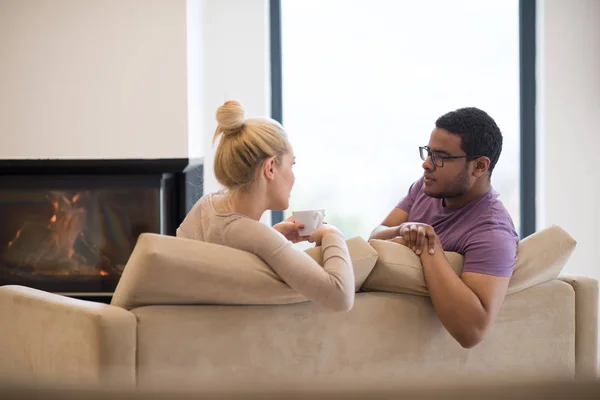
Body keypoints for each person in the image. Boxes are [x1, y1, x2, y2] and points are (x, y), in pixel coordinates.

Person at [177, 100, 355, 312]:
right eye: (292, 165)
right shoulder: (254, 235)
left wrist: (274, 236)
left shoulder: (207, 206)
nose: (293, 176)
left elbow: (225, 258)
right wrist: (332, 234)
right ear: (270, 168)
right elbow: (339, 296)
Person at [369, 107, 519, 348]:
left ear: (479, 166)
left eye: (440, 157)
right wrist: (404, 229)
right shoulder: (427, 187)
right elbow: (375, 236)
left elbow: (472, 332)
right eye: (428, 153)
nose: (427, 165)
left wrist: (430, 248)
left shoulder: (493, 233)